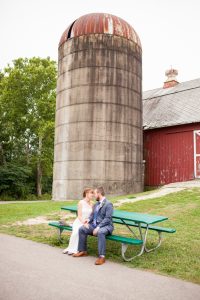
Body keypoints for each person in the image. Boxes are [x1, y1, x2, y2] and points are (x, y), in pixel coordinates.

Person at [73, 186, 114, 265]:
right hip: (95, 225)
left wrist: (98, 227)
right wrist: (88, 220)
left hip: (106, 226)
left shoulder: (108, 204)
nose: (94, 195)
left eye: (95, 193)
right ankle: (83, 251)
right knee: (82, 229)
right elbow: (92, 215)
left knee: (100, 232)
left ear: (99, 193)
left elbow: (108, 219)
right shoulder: (96, 204)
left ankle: (102, 257)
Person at [63, 188, 94, 255]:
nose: (93, 194)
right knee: (76, 232)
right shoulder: (81, 203)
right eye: (91, 193)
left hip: (88, 222)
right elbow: (79, 215)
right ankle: (71, 248)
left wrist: (87, 222)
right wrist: (83, 222)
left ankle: (78, 250)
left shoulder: (92, 204)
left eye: (93, 193)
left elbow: (92, 215)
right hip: (80, 221)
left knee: (81, 230)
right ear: (86, 194)